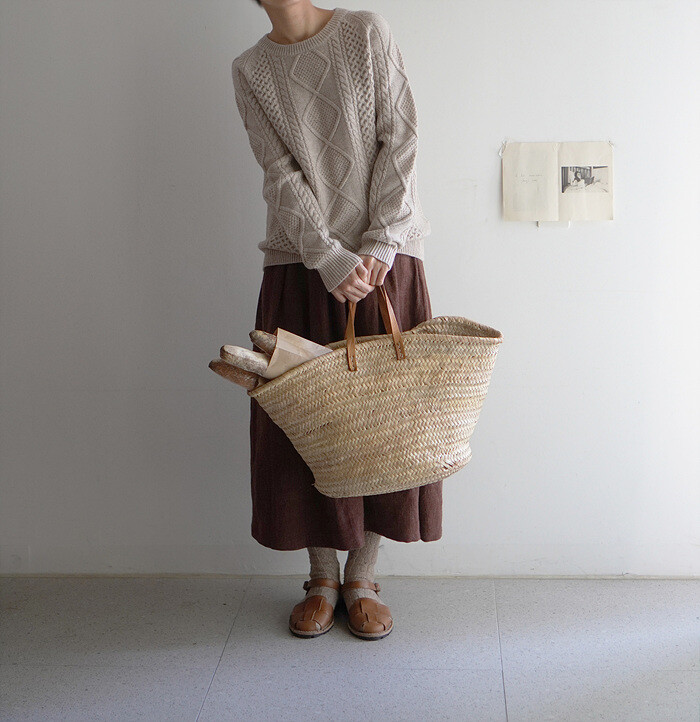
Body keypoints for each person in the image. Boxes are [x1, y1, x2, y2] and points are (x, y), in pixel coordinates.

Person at [231, 0, 442, 640]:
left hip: (386, 257)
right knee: (307, 423)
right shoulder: (250, 68)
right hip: (301, 261)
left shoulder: (365, 32)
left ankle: (363, 578)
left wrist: (378, 244)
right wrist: (326, 256)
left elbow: (401, 138)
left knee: (383, 423)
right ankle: (322, 576)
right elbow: (279, 172)